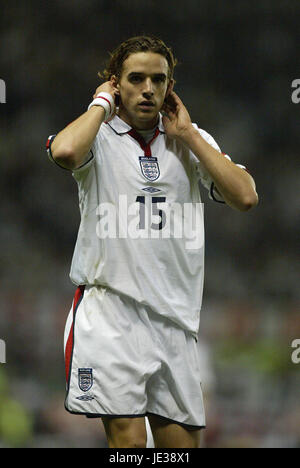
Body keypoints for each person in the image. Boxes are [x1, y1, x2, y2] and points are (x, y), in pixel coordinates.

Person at [46, 35, 258, 448]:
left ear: (170, 86)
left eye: (158, 80)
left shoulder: (192, 142)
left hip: (175, 320)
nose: (148, 89)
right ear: (115, 83)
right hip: (112, 313)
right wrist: (100, 105)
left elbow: (246, 196)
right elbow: (66, 152)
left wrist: (191, 136)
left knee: (181, 449)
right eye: (136, 78)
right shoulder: (98, 135)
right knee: (129, 444)